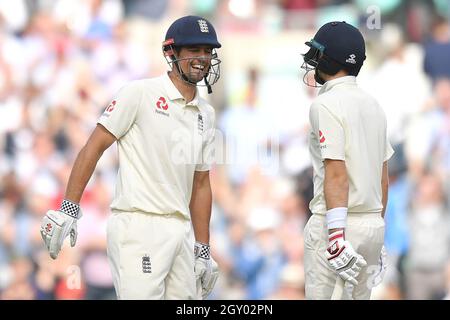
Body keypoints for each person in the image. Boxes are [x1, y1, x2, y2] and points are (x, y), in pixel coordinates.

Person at [40, 15, 221, 300]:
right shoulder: (139, 93)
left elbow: (201, 183)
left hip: (181, 230)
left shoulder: (206, 114)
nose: (203, 58)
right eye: (194, 50)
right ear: (171, 53)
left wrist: (203, 247)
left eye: (208, 51)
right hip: (138, 225)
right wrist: (69, 208)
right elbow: (93, 147)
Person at [301, 21, 394, 299]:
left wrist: (336, 237)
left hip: (338, 224)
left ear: (329, 59)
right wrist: (378, 233)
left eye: (318, 53)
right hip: (372, 225)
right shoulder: (373, 104)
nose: (312, 61)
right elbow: (382, 175)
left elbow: (336, 172)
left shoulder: (325, 104)